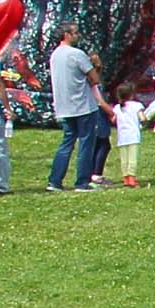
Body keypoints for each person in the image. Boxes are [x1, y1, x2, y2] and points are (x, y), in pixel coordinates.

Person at [46, 27, 105, 191]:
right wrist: (96, 65)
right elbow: (94, 79)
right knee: (86, 144)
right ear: (67, 35)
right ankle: (82, 182)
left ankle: (54, 181)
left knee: (66, 143)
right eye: (76, 32)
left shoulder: (55, 55)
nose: (78, 35)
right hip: (83, 106)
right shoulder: (77, 54)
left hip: (63, 106)